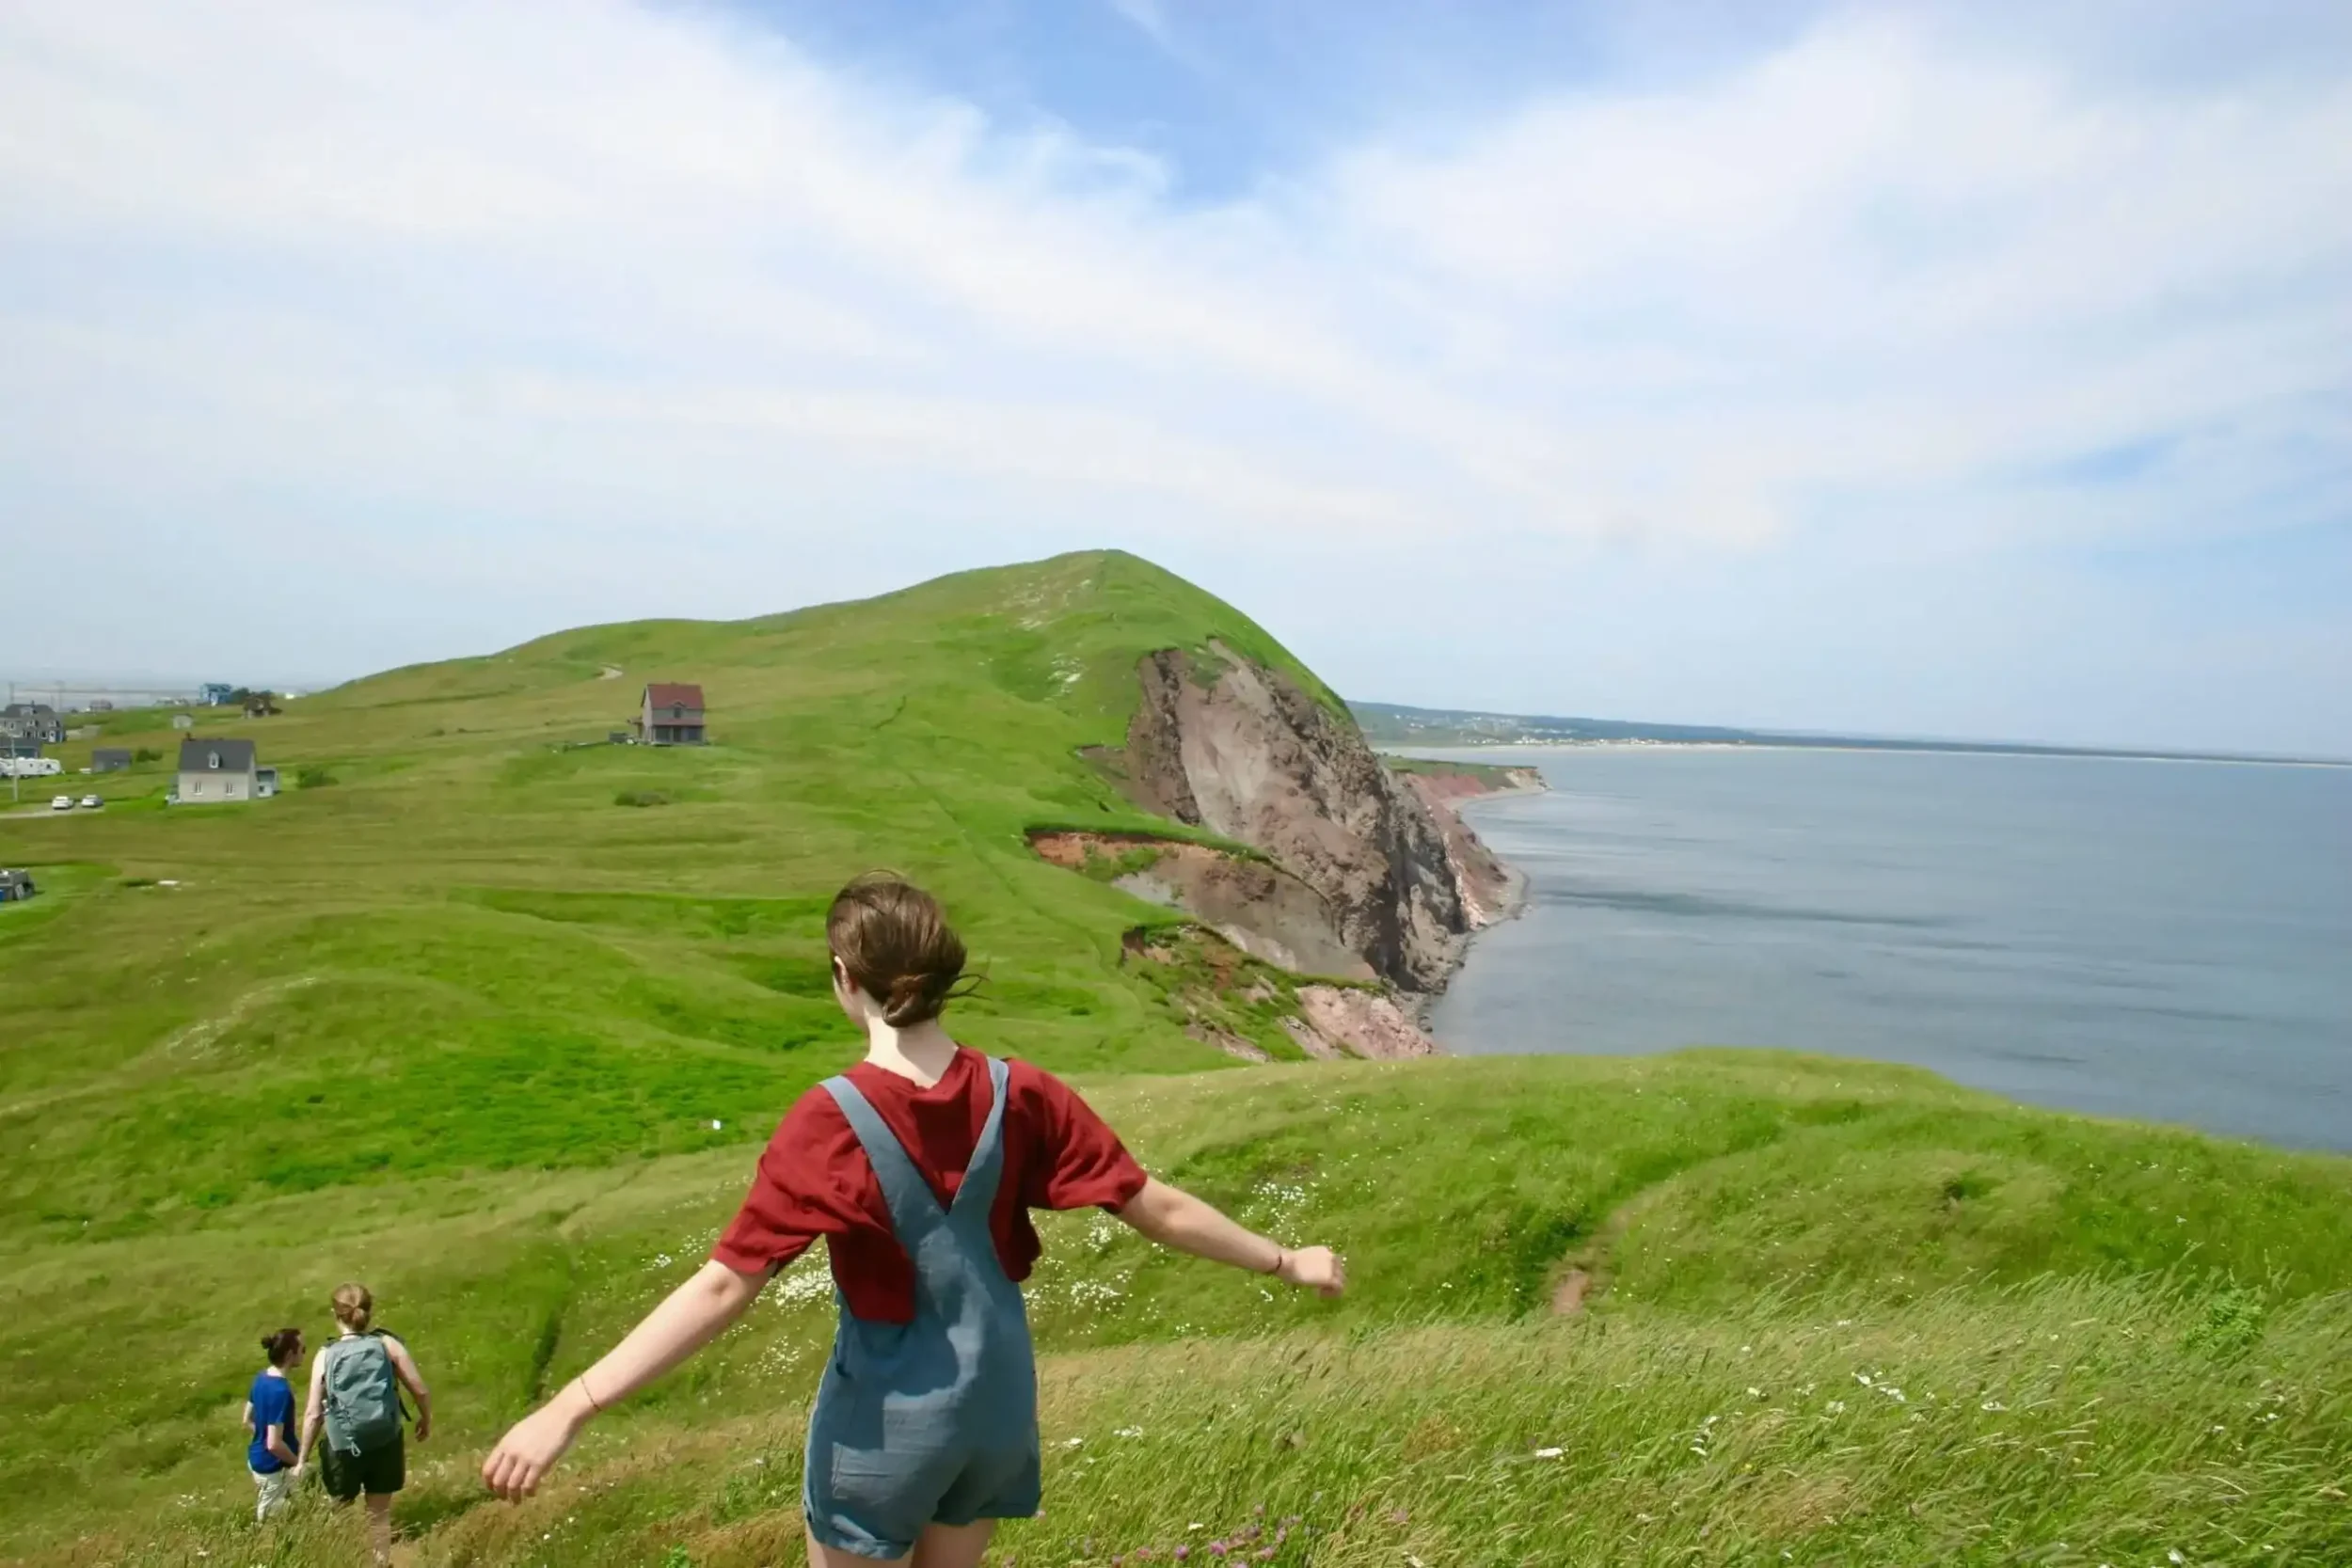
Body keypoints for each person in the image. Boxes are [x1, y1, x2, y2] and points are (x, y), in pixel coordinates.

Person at [484, 872, 1346, 1566]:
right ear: (936, 978)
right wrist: (1286, 1259)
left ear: (844, 979)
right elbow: (1151, 1202)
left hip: (887, 1422)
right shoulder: (1022, 1091)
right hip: (997, 1409)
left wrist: (569, 1405)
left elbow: (722, 1287)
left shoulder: (828, 1119)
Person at [296, 1282, 432, 1566]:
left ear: (336, 1314)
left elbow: (313, 1414)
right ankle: (381, 1562)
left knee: (340, 1509)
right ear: (368, 1311)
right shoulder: (386, 1344)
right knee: (379, 1512)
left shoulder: (325, 1355)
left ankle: (343, 1559)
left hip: (342, 1444)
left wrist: (302, 1458)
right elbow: (420, 1390)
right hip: (385, 1437)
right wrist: (425, 1419)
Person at [242, 1325, 305, 1520]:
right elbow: (274, 1443)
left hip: (258, 1459)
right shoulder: (280, 1391)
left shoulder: (261, 1378)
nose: (304, 1354)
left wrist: (261, 1436)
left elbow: (247, 1420)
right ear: (289, 1355)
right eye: (302, 1349)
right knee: (273, 1518)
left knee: (294, 1506)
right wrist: (299, 1463)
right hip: (272, 1467)